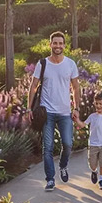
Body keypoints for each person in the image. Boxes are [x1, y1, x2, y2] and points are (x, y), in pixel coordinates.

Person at [28, 31, 81, 191]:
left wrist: (77, 108)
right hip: (47, 113)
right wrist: (28, 108)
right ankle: (50, 179)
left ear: (64, 45)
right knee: (48, 147)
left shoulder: (70, 64)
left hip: (65, 112)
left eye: (60, 43)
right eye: (55, 43)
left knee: (68, 144)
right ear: (50, 44)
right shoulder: (42, 64)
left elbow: (76, 88)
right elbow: (33, 87)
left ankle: (63, 166)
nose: (57, 46)